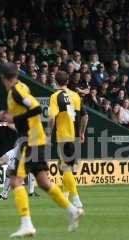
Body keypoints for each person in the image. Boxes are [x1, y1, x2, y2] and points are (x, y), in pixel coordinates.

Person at [0, 62, 81, 238]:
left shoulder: (16, 91)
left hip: (30, 139)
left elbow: (35, 108)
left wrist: (13, 118)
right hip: (36, 138)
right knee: (43, 182)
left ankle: (27, 224)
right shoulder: (21, 87)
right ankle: (73, 210)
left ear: (3, 78)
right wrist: (10, 116)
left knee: (15, 181)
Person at [47, 71, 88, 211]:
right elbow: (85, 116)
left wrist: (48, 133)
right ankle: (64, 196)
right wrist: (82, 132)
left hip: (64, 136)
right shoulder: (76, 95)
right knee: (64, 165)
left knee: (66, 168)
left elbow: (52, 117)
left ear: (55, 82)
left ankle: (76, 200)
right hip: (76, 136)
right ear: (68, 81)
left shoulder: (55, 97)